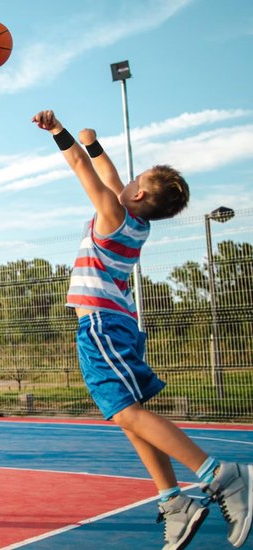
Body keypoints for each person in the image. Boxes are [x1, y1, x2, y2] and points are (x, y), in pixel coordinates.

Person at [32, 110, 252, 549]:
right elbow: (109, 174)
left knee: (126, 414)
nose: (128, 180)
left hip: (100, 325)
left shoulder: (113, 213)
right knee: (130, 417)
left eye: (138, 179)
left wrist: (60, 132)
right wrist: (96, 146)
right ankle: (173, 502)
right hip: (118, 325)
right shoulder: (136, 221)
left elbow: (83, 170)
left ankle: (221, 475)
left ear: (141, 191)